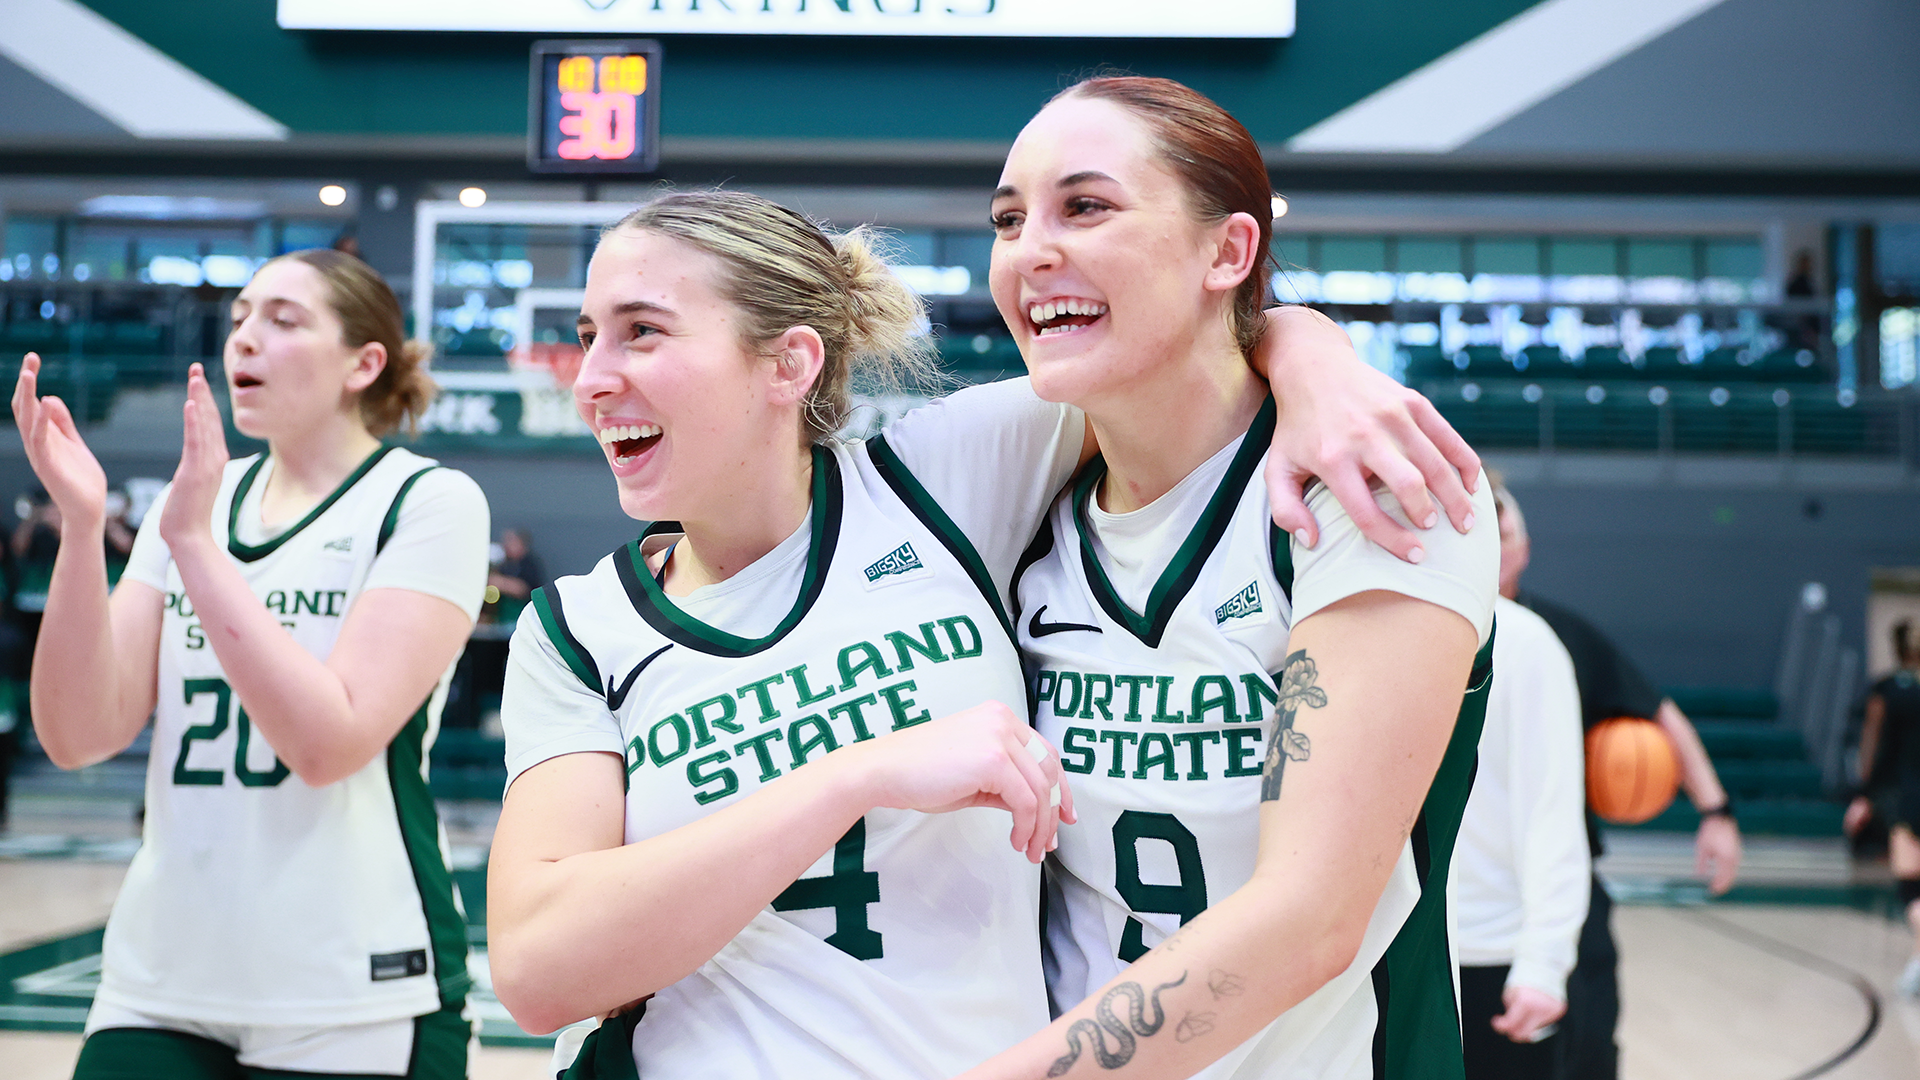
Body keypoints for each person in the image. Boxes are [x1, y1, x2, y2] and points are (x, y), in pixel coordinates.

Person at [485, 189, 1485, 1079]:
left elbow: (1180, 364)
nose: (591, 378)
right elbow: (535, 973)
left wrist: (1316, 355)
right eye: (588, 335)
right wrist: (856, 776)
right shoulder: (578, 631)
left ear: (789, 362)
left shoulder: (940, 480)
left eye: (643, 333)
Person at [962, 76, 1499, 1080]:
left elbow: (1310, 920)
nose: (1030, 247)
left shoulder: (1369, 495)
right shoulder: (1015, 509)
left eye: (1085, 205)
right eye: (1007, 217)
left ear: (1229, 250)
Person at [12, 248, 491, 1079]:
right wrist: (83, 529)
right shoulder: (193, 499)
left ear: (363, 363)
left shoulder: (428, 502)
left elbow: (327, 745)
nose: (244, 340)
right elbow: (78, 734)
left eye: (283, 320)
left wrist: (194, 547)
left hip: (353, 985)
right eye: (238, 320)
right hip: (162, 977)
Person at [1495, 483, 1742, 1080]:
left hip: (1560, 874)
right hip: (1460, 888)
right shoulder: (1417, 636)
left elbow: (1660, 713)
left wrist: (1717, 811)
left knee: (1589, 1046)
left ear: (1524, 549)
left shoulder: (1561, 636)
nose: (1491, 552)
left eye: (1501, 539)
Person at [1453, 476, 1590, 1080]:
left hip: (1493, 958)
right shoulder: (1378, 632)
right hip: (1389, 953)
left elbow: (1552, 813)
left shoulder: (1528, 644)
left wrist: (1544, 962)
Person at [1845, 620, 1920, 995]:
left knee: (1911, 884)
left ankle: (1919, 956)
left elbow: (1872, 740)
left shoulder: (1886, 689)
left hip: (1903, 790)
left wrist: (1864, 791)